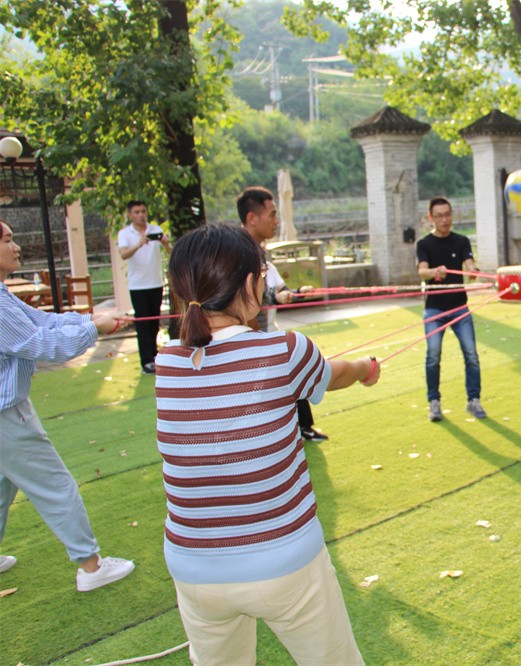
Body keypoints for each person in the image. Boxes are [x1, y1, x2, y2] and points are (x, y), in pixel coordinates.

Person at [156, 224, 379, 664]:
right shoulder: (285, 350)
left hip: (193, 569)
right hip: (285, 562)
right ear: (250, 285)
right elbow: (335, 374)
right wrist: (365, 368)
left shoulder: (167, 364)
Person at [0, 220, 136, 591]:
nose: (16, 247)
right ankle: (91, 568)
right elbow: (42, 345)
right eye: (8, 240)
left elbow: (41, 321)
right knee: (55, 485)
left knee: (2, 487)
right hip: (6, 417)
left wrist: (90, 319)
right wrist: (94, 329)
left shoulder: (3, 294)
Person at [237, 186, 327, 442]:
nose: (276, 220)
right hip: (250, 336)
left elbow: (273, 288)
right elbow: (246, 296)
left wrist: (293, 293)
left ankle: (302, 426)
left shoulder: (258, 251)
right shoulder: (240, 252)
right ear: (252, 218)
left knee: (291, 372)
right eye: (272, 214)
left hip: (264, 332)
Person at [416, 196, 486, 422]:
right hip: (434, 310)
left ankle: (473, 400)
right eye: (439, 216)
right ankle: (434, 403)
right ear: (431, 217)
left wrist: (473, 271)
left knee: (471, 354)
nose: (444, 220)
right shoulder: (424, 244)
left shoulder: (462, 241)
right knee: (433, 355)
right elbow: (422, 272)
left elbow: (470, 264)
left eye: (447, 215)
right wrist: (435, 271)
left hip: (460, 308)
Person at [117, 199, 171, 375]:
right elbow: (123, 254)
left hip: (156, 282)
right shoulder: (125, 233)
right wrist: (138, 244)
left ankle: (155, 357)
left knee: (154, 323)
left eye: (143, 211)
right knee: (143, 324)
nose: (141, 215)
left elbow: (171, 251)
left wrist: (165, 243)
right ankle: (146, 360)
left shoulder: (155, 229)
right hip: (138, 285)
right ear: (130, 215)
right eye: (137, 212)